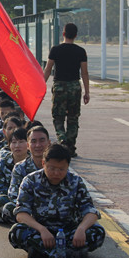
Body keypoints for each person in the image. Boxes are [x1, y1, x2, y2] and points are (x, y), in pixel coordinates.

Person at [8, 143, 105, 258]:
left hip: (68, 232)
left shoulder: (75, 181)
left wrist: (81, 229)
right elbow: (21, 214)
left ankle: (43, 253)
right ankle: (69, 254)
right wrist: (42, 230)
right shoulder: (30, 181)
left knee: (97, 231)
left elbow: (90, 211)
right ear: (43, 164)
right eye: (52, 168)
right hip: (40, 231)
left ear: (68, 166)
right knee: (17, 231)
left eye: (61, 169)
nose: (56, 173)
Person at [42, 22, 90, 158]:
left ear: (63, 34)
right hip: (74, 87)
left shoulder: (55, 50)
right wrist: (87, 92)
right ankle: (70, 146)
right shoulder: (81, 51)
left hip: (59, 87)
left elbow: (48, 69)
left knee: (58, 116)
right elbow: (85, 73)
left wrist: (41, 86)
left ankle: (62, 139)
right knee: (73, 118)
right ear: (75, 35)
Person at [3, 126, 51, 221]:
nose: (38, 145)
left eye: (42, 140)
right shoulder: (20, 167)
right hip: (28, 209)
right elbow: (14, 195)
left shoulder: (57, 166)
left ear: (49, 143)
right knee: (8, 207)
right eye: (33, 141)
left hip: (53, 210)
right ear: (28, 145)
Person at [0, 127, 29, 224]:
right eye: (14, 142)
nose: (17, 146)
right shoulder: (3, 162)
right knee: (1, 202)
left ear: (28, 144)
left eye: (21, 142)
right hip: (10, 199)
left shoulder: (33, 162)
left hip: (29, 201)